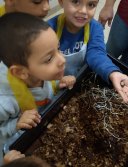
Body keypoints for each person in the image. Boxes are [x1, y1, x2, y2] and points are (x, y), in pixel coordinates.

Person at [0, 12, 76, 163]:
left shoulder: (43, 75)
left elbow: (48, 88)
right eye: (49, 58)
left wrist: (60, 84)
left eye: (58, 49)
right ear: (21, 72)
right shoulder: (6, 102)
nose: (62, 59)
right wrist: (15, 125)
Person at [48, 0, 128, 106]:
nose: (83, 11)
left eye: (91, 5)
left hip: (77, 81)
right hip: (52, 86)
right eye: (76, 1)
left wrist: (113, 72)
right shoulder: (47, 30)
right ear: (61, 2)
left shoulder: (95, 28)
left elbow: (96, 53)